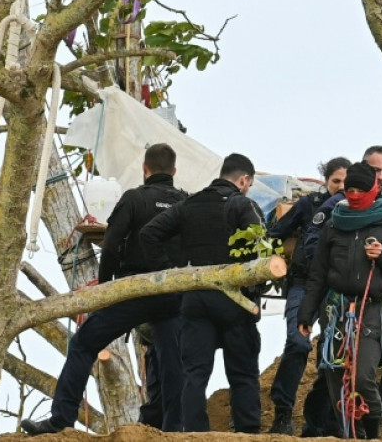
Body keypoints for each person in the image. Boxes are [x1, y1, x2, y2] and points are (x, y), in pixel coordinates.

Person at [21, 144, 187, 435]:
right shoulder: (186, 202)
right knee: (172, 359)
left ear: (145, 170)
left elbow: (110, 245)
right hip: (171, 295)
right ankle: (174, 430)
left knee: (84, 345)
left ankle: (61, 419)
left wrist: (106, 288)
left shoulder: (134, 199)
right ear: (173, 172)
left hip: (132, 291)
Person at [300, 146, 382, 441]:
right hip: (336, 309)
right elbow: (316, 270)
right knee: (333, 371)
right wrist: (306, 312)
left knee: (377, 371)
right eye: (377, 171)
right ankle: (334, 431)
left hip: (375, 308)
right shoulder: (332, 218)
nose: (381, 178)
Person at [140, 153, 265, 432]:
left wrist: (173, 275)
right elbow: (262, 249)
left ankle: (195, 434)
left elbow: (149, 234)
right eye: (250, 184)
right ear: (243, 180)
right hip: (236, 299)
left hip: (195, 297)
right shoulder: (243, 205)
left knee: (194, 373)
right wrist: (254, 286)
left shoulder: (188, 205)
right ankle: (248, 434)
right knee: (242, 375)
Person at [267, 157, 350, 435]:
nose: (341, 186)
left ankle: (321, 420)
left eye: (345, 182)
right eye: (335, 181)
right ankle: (282, 413)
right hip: (303, 283)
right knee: (298, 343)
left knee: (333, 353)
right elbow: (274, 234)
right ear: (326, 181)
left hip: (335, 290)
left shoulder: (356, 209)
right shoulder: (309, 205)